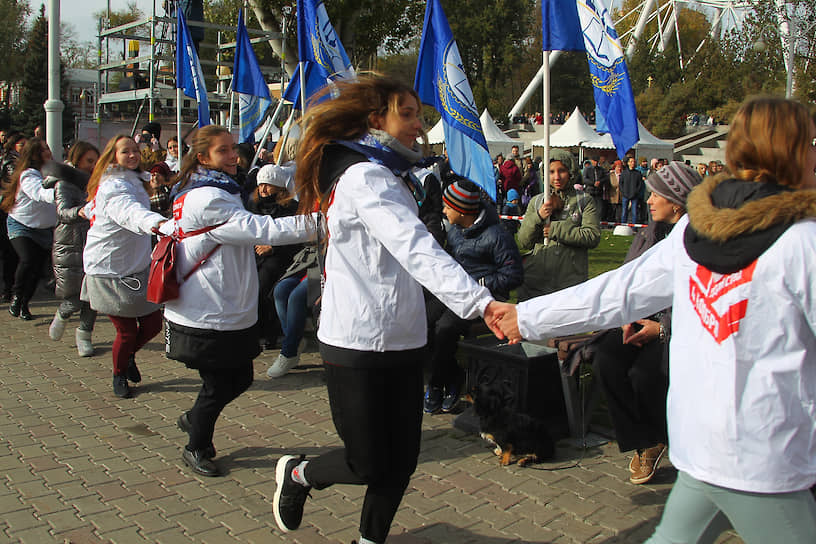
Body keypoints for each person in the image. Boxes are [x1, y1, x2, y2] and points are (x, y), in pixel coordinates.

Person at [491, 96, 816, 543]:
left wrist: (526, 317)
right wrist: (525, 317)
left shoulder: (694, 229)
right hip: (768, 457)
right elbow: (620, 292)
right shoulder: (803, 241)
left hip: (701, 445)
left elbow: (615, 293)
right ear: (794, 152)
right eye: (811, 143)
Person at [271, 75, 502, 544]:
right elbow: (415, 249)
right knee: (367, 461)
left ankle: (369, 539)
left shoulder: (390, 173)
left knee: (403, 458)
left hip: (404, 337)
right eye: (409, 113)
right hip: (355, 340)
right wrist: (484, 305)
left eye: (420, 114)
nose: (420, 125)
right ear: (376, 119)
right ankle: (300, 474)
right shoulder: (366, 176)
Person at [162, 126, 315, 478]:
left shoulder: (214, 188)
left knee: (235, 377)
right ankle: (196, 444)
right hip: (207, 309)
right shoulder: (208, 198)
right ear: (202, 158)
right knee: (223, 382)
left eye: (233, 149)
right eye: (223, 151)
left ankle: (195, 420)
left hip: (219, 305)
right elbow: (264, 231)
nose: (233, 156)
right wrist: (322, 222)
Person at [586, 162, 701, 485]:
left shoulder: (700, 241)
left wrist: (662, 329)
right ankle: (642, 440)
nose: (648, 201)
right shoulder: (647, 234)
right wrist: (626, 318)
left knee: (645, 374)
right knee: (606, 358)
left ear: (676, 201)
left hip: (675, 330)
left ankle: (659, 438)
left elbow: (699, 302)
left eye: (655, 195)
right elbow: (626, 279)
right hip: (638, 321)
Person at [423, 179, 523, 414]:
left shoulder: (497, 235)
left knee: (445, 329)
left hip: (484, 301)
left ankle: (440, 383)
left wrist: (479, 284)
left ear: (461, 210)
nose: (443, 210)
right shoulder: (456, 231)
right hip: (454, 293)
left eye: (447, 206)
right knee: (420, 320)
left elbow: (513, 275)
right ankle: (451, 375)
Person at [82, 135, 168, 399]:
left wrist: (86, 211)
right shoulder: (114, 186)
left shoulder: (134, 180)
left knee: (153, 323)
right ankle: (119, 373)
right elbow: (128, 212)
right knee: (127, 331)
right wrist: (159, 224)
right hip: (109, 269)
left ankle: (128, 356)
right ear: (113, 156)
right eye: (125, 152)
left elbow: (94, 207)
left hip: (136, 265)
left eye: (135, 150)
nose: (132, 155)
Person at [516, 148, 600, 301]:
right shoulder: (536, 202)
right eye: (551, 171)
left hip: (569, 283)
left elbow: (592, 236)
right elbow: (524, 241)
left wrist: (555, 229)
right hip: (535, 283)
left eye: (561, 171)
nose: (556, 177)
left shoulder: (584, 201)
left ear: (571, 172)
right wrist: (538, 217)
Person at [44, 141, 100, 357]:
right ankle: (62, 315)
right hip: (70, 243)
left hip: (93, 243)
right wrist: (83, 211)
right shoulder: (65, 183)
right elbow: (62, 213)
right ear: (77, 160)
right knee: (73, 296)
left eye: (96, 161)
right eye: (89, 161)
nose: (93, 166)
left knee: (93, 295)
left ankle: (84, 335)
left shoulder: (97, 181)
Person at [246, 163, 300, 352]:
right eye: (261, 185)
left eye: (268, 185)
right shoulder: (253, 205)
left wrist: (273, 247)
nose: (263, 189)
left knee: (265, 283)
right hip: (254, 253)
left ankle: (270, 332)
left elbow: (296, 237)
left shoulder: (290, 207)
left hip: (281, 256)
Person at [0, 138, 56, 320]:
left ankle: (24, 304)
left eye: (47, 148)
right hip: (21, 225)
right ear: (34, 154)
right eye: (43, 150)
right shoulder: (29, 175)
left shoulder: (54, 171)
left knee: (37, 270)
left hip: (44, 230)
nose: (48, 152)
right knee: (28, 259)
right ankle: (16, 296)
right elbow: (38, 193)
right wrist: (58, 194)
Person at [0, 132, 26, 301]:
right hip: (8, 208)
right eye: (21, 144)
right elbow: (13, 183)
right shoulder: (11, 161)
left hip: (14, 208)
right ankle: (8, 289)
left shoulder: (22, 161)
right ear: (14, 145)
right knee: (9, 252)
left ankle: (10, 289)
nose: (24, 147)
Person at [619, 156, 644, 224]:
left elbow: (640, 184)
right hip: (625, 195)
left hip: (634, 196)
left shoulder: (638, 173)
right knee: (624, 211)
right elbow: (621, 184)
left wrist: (636, 192)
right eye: (631, 162)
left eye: (634, 162)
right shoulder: (624, 173)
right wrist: (623, 192)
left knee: (634, 212)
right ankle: (623, 225)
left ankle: (634, 228)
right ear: (628, 163)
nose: (632, 163)